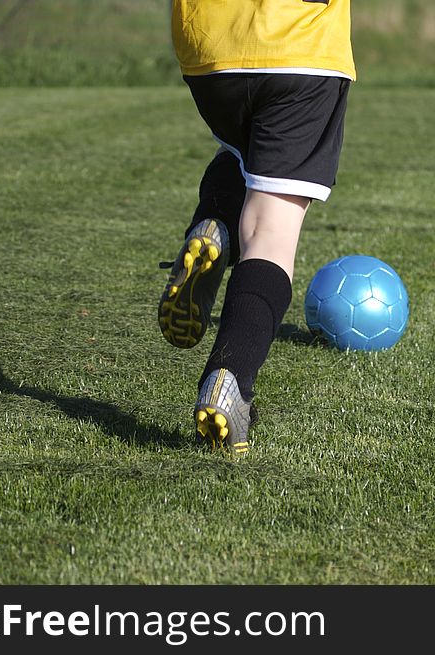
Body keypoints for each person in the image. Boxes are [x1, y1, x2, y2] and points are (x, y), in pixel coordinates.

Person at [159, 1, 355, 454]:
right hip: (300, 48)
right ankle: (231, 378)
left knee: (243, 154)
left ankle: (214, 220)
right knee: (271, 232)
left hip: (209, 51)